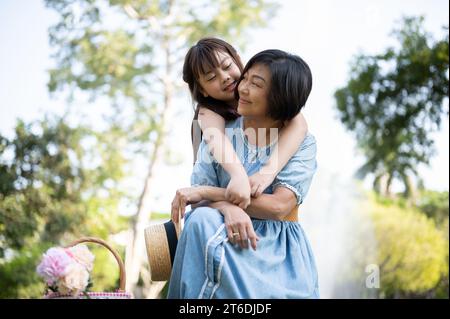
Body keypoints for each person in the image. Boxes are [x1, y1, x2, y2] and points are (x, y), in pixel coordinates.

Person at [168, 49, 319, 298]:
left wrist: (209, 192)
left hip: (276, 249)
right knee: (201, 219)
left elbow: (279, 206)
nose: (240, 87)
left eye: (255, 83)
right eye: (246, 78)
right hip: (225, 233)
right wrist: (229, 207)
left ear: (280, 97)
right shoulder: (214, 130)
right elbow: (198, 202)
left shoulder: (300, 139)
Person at [184, 38, 308, 209]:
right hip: (219, 208)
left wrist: (266, 174)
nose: (225, 77)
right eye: (211, 77)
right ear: (202, 90)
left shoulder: (268, 96)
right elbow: (216, 141)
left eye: (227, 66)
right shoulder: (207, 114)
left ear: (238, 60)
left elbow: (299, 124)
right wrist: (238, 176)